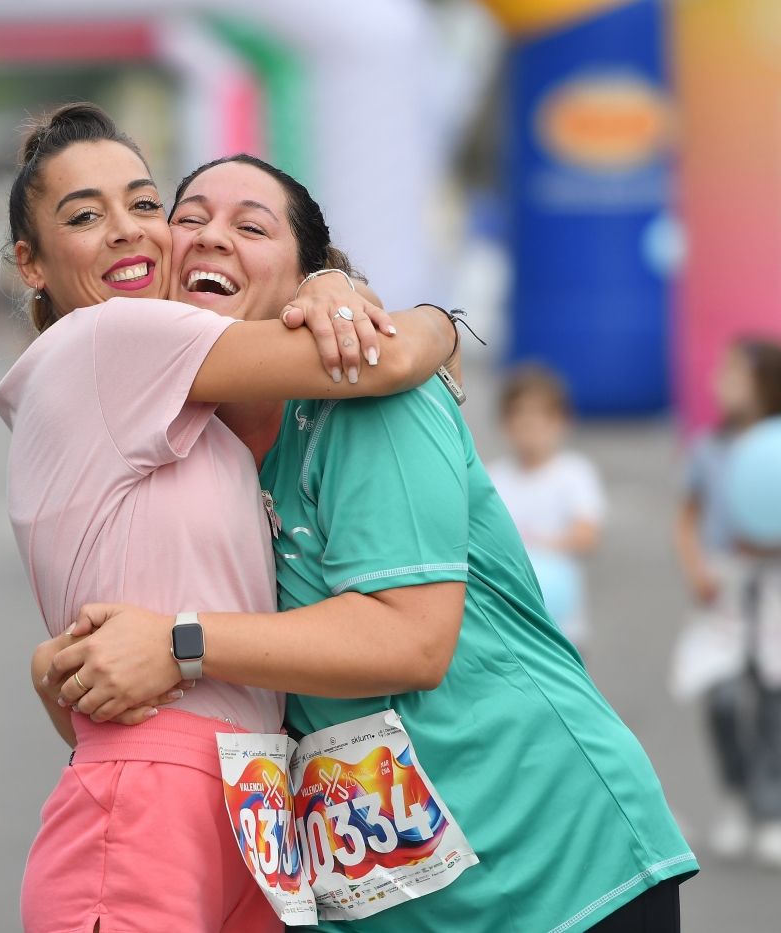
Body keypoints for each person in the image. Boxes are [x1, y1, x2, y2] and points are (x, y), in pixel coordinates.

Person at [41, 155, 698, 931]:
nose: (212, 237)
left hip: (557, 876)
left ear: (305, 285)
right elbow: (155, 695)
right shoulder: (179, 452)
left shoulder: (370, 400)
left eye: (251, 226)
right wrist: (68, 670)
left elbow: (410, 638)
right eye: (189, 219)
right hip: (382, 909)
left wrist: (183, 642)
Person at [0, 103, 458, 933]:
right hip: (152, 799)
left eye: (143, 206)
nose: (127, 233)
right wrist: (439, 325)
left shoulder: (176, 392)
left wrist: (325, 279)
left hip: (252, 805)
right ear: (31, 264)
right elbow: (379, 358)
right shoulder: (108, 339)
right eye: (84, 216)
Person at [674, 338, 781, 866]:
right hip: (727, 583)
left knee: (773, 700)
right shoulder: (708, 446)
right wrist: (697, 568)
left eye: (735, 371)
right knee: (718, 695)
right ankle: (737, 795)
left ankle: (771, 809)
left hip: (776, 584)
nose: (722, 380)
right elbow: (688, 516)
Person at [487, 363, 605, 651]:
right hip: (509, 625)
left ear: (560, 421)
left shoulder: (574, 473)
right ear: (506, 422)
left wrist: (533, 547)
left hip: (563, 627)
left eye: (540, 416)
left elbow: (586, 535)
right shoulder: (492, 477)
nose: (529, 427)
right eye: (520, 416)